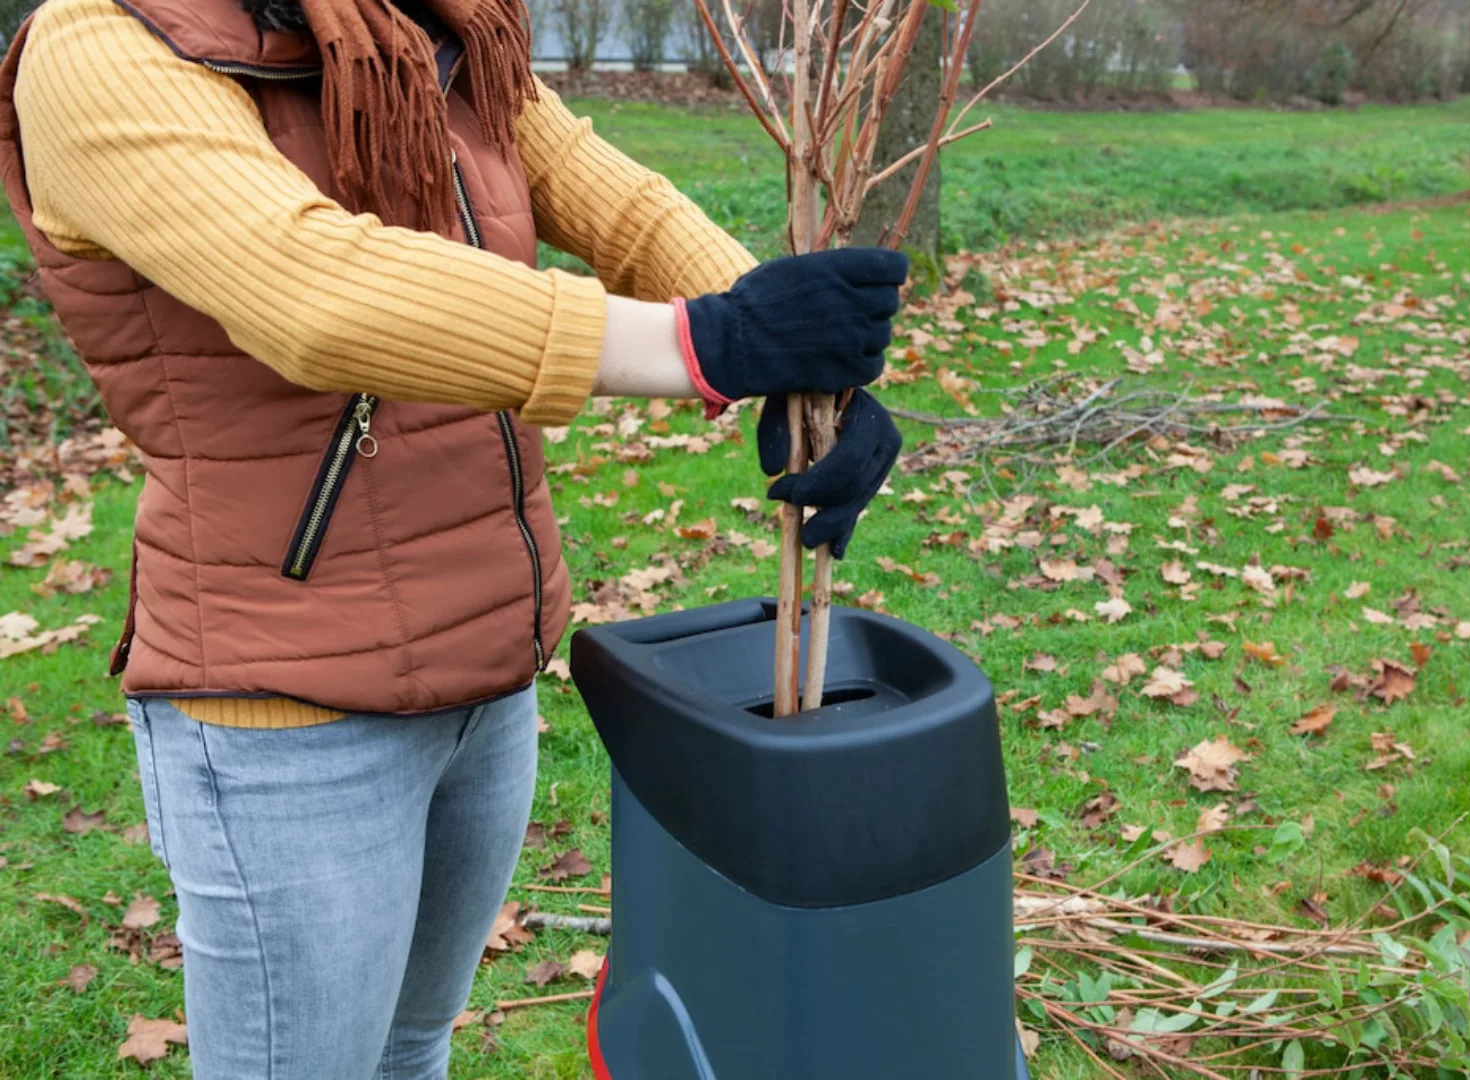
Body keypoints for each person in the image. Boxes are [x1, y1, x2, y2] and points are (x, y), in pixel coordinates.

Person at [0, 0, 904, 1075]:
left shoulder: (436, 24)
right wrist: (705, 345)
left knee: (413, 1048)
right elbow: (315, 291)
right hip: (285, 712)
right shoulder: (103, 42)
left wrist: (799, 359)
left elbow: (617, 202)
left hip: (485, 672)